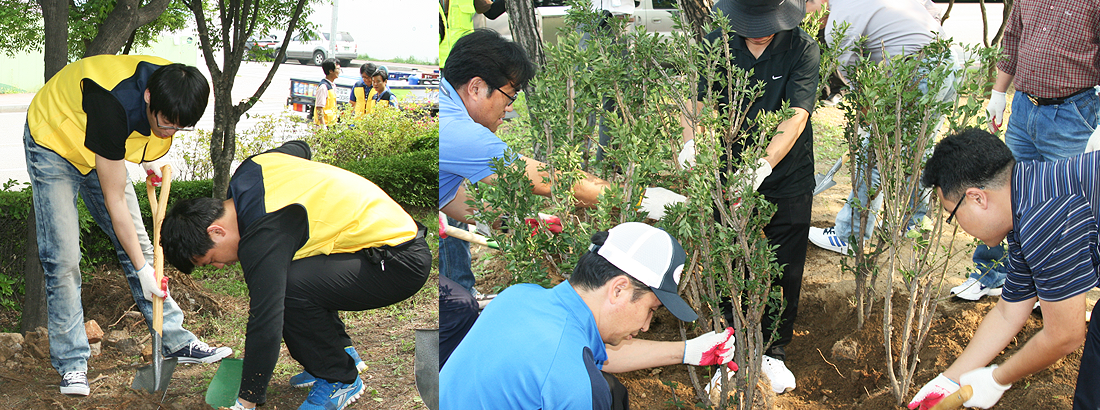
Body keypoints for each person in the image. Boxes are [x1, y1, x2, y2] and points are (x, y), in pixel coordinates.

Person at [160, 141, 431, 410]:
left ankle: (339, 377)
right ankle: (340, 352)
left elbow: (265, 322)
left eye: (211, 260)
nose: (219, 266)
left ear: (216, 232)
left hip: (398, 261)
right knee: (295, 275)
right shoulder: (250, 171)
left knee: (288, 287)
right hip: (382, 242)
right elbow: (299, 148)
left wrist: (247, 400)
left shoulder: (263, 235)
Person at [23, 54, 231, 396]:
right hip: (56, 140)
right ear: (149, 97)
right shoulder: (111, 105)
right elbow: (114, 199)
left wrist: (147, 159)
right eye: (167, 122)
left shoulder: (176, 84)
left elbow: (140, 135)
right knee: (63, 259)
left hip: (105, 145)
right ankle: (73, 363)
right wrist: (140, 268)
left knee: (143, 249)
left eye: (179, 127)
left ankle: (175, 341)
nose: (170, 131)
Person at [440, 222, 737, 408]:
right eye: (651, 310)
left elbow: (594, 355)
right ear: (619, 290)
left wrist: (688, 351)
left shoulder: (518, 296)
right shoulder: (575, 384)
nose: (647, 326)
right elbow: (572, 367)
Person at [680, 0, 819, 394]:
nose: (758, 30)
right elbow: (698, 101)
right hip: (726, 173)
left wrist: (760, 166)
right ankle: (730, 352)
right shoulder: (718, 43)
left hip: (785, 173)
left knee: (784, 262)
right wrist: (693, 142)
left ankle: (774, 350)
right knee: (728, 259)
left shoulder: (802, 48)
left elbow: (796, 116)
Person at [909, 128, 1100, 409]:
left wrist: (998, 379)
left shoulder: (1042, 217)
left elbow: (1065, 336)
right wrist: (949, 380)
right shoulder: (1025, 197)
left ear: (977, 198)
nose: (958, 225)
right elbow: (1009, 312)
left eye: (953, 215)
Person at [438, 28, 611, 294]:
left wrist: (514, 221)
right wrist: (632, 198)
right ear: (476, 87)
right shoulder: (459, 132)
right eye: (510, 97)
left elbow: (448, 197)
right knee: (457, 312)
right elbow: (546, 180)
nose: (509, 109)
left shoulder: (444, 100)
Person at [952, 0, 1100, 303]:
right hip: (1023, 107)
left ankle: (1065, 295)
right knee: (1003, 191)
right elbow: (1014, 40)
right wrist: (997, 93)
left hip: (1074, 112)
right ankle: (990, 274)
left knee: (1070, 207)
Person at [804, 0, 957, 257]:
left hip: (916, 72)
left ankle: (849, 236)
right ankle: (914, 225)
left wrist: (868, 128)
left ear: (818, 1)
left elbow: (859, 85)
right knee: (917, 152)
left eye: (804, 10)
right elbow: (931, 10)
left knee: (873, 157)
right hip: (945, 63)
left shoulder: (837, 25)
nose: (805, 19)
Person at [313, 59, 341, 128]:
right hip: (324, 125)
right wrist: (323, 126)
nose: (339, 71)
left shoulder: (332, 85)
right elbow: (319, 108)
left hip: (331, 123)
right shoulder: (323, 87)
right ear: (331, 71)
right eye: (337, 69)